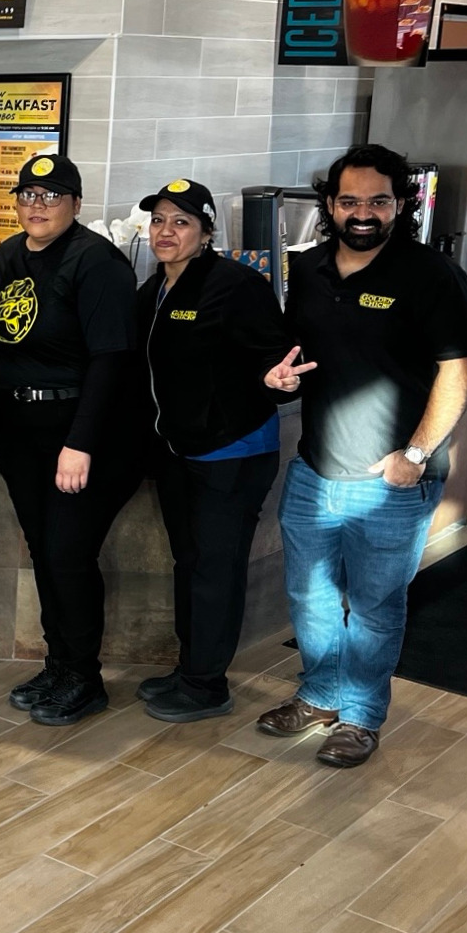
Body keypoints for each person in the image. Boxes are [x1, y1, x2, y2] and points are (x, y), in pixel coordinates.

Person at [258, 144, 467, 768]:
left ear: (399, 204)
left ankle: (359, 716)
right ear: (330, 205)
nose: (363, 213)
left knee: (375, 607)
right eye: (350, 201)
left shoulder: (432, 275)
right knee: (310, 598)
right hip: (315, 468)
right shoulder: (308, 267)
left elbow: (461, 370)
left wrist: (415, 452)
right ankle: (321, 694)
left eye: (378, 201)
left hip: (391, 479)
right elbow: (297, 349)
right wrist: (278, 375)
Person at [0, 153, 139, 727]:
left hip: (78, 432)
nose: (37, 205)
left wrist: (81, 442)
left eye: (51, 196)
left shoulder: (97, 262)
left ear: (76, 203)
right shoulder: (11, 253)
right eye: (28, 194)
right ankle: (60, 663)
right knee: (43, 550)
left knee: (68, 554)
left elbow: (110, 360)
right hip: (21, 428)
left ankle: (84, 677)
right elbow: (10, 337)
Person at [133, 178, 289, 723]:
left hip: (233, 451)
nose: (166, 231)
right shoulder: (154, 290)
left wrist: (276, 378)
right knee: (190, 563)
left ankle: (207, 685)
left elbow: (274, 355)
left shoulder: (235, 284)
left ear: (205, 233)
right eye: (158, 220)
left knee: (215, 569)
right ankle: (191, 668)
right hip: (179, 452)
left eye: (181, 222)